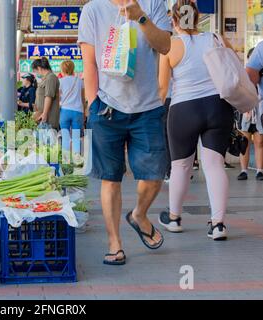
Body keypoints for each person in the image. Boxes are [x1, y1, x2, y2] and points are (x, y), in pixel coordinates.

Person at [79, 0, 172, 265]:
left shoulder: (153, 3)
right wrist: (93, 102)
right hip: (107, 107)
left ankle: (139, 214)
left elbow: (165, 46)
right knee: (110, 178)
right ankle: (114, 243)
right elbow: (89, 64)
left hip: (148, 107)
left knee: (155, 174)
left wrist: (140, 17)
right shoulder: (93, 10)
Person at [158, 0, 235, 241]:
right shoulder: (216, 38)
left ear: (173, 20)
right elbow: (233, 68)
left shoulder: (170, 46)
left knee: (180, 165)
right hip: (218, 107)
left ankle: (174, 218)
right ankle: (219, 224)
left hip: (184, 110)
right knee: (214, 165)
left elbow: (162, 89)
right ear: (198, 16)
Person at [242, 45, 263, 181]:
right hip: (248, 110)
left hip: (258, 108)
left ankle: (259, 170)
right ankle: (244, 170)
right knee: (245, 139)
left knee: (259, 140)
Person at [59, 60, 85, 154]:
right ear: (73, 68)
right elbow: (83, 98)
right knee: (76, 137)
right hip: (78, 111)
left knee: (65, 136)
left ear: (62, 69)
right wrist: (85, 112)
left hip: (65, 111)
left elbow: (58, 98)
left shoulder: (60, 81)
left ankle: (66, 160)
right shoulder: (80, 81)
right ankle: (76, 158)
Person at [32, 57, 60, 130]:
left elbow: (48, 96)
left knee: (49, 139)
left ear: (39, 68)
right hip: (41, 115)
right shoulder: (45, 79)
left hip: (48, 118)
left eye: (35, 71)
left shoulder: (51, 77)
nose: (36, 73)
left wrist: (44, 113)